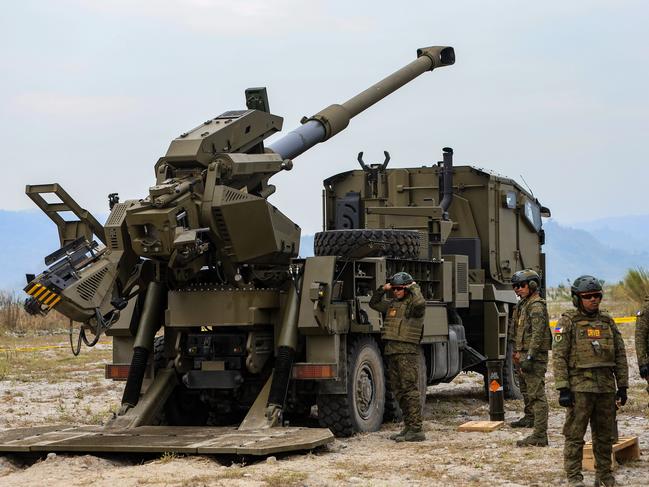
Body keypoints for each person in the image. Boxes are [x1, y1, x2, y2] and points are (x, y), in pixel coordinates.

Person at [553, 275, 628, 487]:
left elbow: (620, 354)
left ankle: (604, 476)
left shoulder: (607, 322)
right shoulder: (567, 322)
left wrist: (622, 386)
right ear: (577, 298)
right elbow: (559, 356)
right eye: (588, 296)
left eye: (598, 296)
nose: (594, 300)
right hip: (579, 388)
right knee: (575, 435)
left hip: (605, 387)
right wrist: (563, 388)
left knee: (604, 437)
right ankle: (575, 477)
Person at [369, 271, 426, 442]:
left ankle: (416, 429)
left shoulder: (413, 305)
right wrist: (382, 289)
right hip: (392, 351)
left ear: (407, 288)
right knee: (399, 390)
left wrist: (414, 287)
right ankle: (409, 426)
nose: (396, 291)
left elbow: (420, 303)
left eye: (400, 288)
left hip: (406, 352)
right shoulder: (392, 304)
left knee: (409, 389)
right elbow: (374, 303)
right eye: (394, 289)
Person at [507, 269, 552, 447]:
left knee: (537, 394)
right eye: (515, 286)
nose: (517, 289)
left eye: (521, 285)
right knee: (525, 388)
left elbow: (538, 335)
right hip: (523, 352)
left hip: (533, 355)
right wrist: (516, 351)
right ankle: (530, 417)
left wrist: (530, 357)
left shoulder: (536, 306)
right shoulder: (523, 305)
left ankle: (540, 435)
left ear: (532, 285)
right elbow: (517, 330)